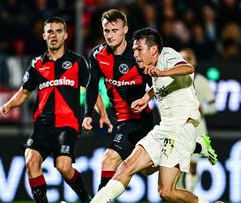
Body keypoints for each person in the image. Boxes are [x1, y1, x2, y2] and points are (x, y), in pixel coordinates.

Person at [90, 27, 214, 203]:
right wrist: (145, 98)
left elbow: (187, 68)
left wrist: (162, 72)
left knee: (166, 192)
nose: (135, 54)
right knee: (127, 167)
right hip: (164, 128)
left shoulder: (167, 55)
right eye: (133, 50)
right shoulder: (152, 68)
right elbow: (162, 86)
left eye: (139, 49)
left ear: (153, 49)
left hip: (180, 130)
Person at [0, 17, 106, 203]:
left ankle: (86, 199)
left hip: (67, 125)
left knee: (64, 167)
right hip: (43, 125)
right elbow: (24, 92)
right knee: (31, 159)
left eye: (58, 31)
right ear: (44, 35)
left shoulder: (77, 62)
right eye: (50, 31)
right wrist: (8, 105)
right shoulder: (37, 64)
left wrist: (101, 113)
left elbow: (91, 90)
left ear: (65, 35)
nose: (54, 35)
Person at [82, 9, 155, 191]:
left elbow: (156, 84)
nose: (110, 35)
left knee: (109, 159)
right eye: (107, 31)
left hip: (139, 121)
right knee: (147, 170)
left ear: (125, 30)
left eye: (115, 30)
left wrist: (146, 98)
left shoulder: (138, 55)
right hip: (120, 121)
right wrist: (88, 114)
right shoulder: (97, 55)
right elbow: (92, 86)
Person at [179, 48, 217, 192]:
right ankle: (179, 196)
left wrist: (203, 109)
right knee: (176, 166)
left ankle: (189, 194)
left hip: (197, 128)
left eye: (188, 58)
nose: (185, 61)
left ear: (194, 61)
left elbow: (213, 106)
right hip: (179, 128)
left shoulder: (201, 81)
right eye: (182, 58)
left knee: (192, 165)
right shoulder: (172, 80)